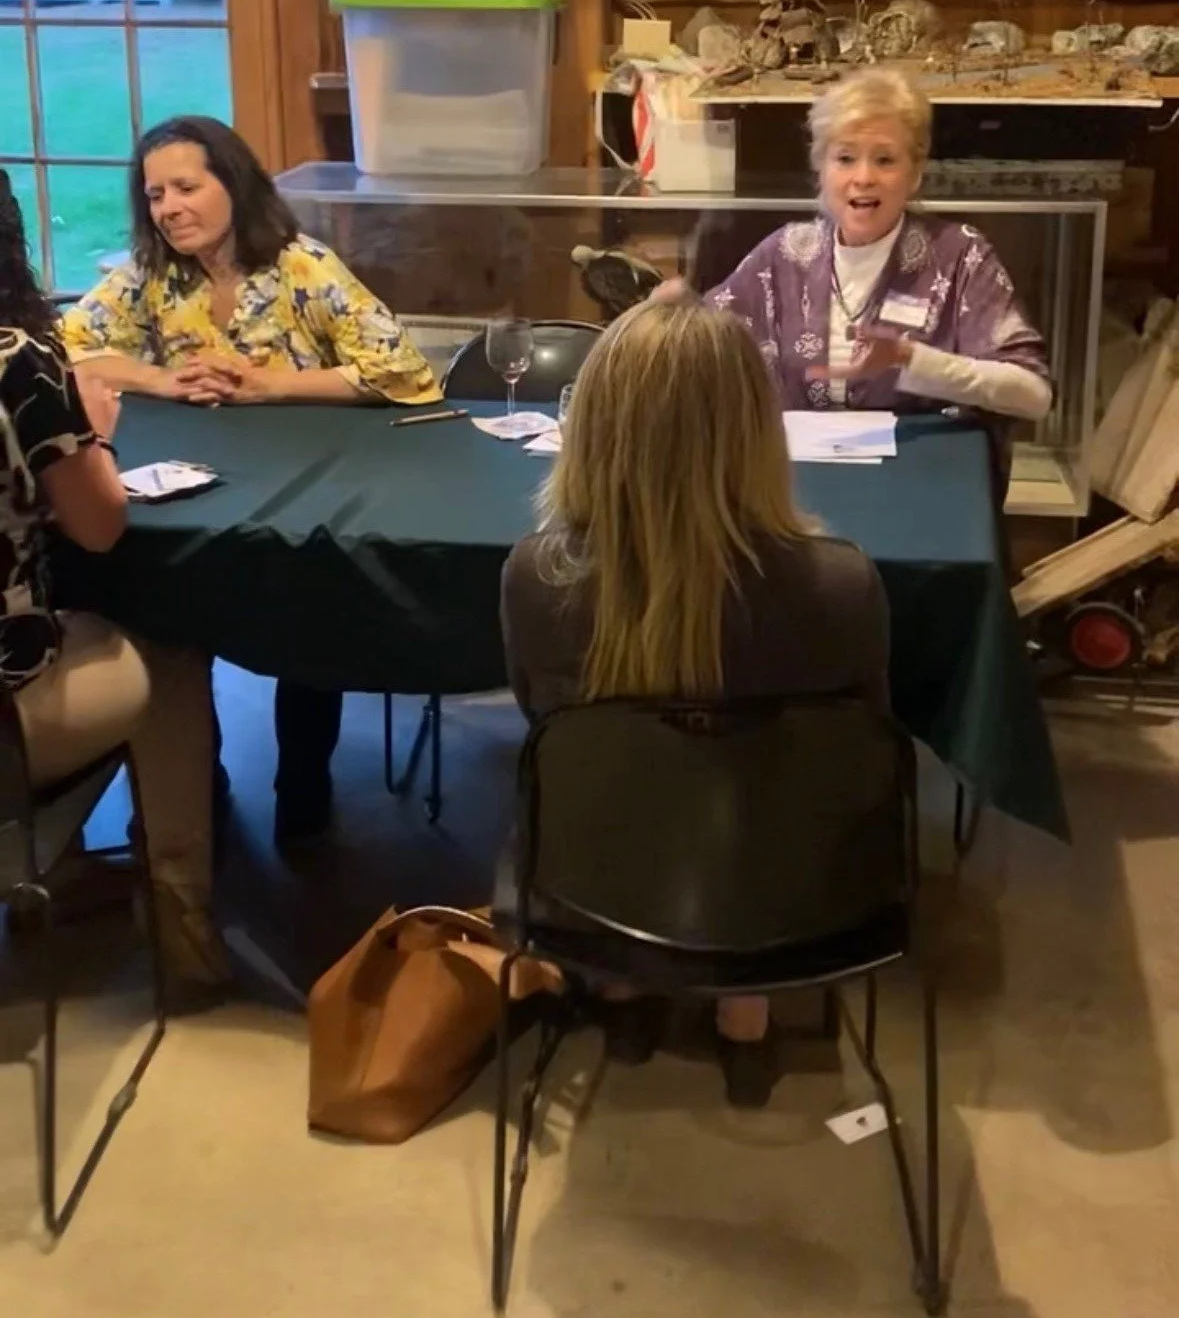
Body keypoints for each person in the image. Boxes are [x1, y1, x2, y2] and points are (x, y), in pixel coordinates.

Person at [499, 298, 890, 1108]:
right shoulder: (840, 582)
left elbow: (542, 720)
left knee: (610, 772)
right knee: (770, 782)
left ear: (594, 425)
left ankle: (620, 993)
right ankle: (745, 1018)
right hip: (790, 893)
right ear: (755, 429)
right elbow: (863, 749)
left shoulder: (534, 577)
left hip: (594, 880)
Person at [61, 116, 443, 844]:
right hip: (196, 492)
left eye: (185, 187)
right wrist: (162, 379)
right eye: (154, 195)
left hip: (303, 487)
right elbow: (66, 348)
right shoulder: (149, 275)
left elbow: (403, 371)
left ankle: (303, 780)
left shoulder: (303, 266)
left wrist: (269, 385)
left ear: (233, 185)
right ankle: (194, 782)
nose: (168, 208)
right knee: (168, 610)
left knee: (312, 609)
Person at [0, 168, 225, 1000]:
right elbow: (98, 526)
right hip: (10, 711)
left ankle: (56, 866)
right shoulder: (17, 361)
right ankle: (181, 922)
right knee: (165, 642)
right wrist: (91, 435)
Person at [691, 67, 1052, 429]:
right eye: (845, 159)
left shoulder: (960, 256)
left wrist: (911, 359)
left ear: (915, 174)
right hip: (796, 459)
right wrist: (676, 309)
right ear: (821, 169)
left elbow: (1034, 394)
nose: (863, 178)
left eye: (885, 160)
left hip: (920, 459)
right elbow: (704, 345)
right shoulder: (784, 252)